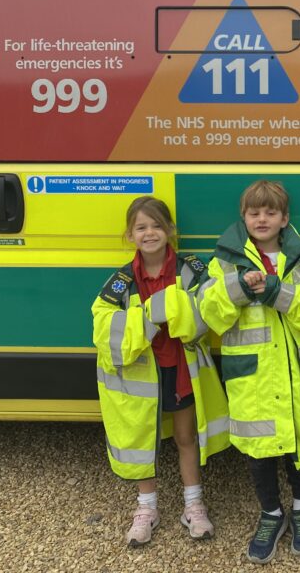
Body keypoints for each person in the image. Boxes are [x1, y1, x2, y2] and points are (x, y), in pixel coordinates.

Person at [194, 179, 300, 564]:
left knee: (299, 447)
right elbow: (209, 311)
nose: (262, 218)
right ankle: (271, 514)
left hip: (298, 381)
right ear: (243, 217)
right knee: (258, 452)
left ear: (285, 218)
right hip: (255, 382)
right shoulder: (225, 262)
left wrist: (277, 291)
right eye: (254, 212)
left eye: (271, 212)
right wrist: (239, 288)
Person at [91, 196, 230, 547]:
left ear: (171, 231)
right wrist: (152, 313)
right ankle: (146, 509)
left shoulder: (192, 270)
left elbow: (211, 312)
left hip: (181, 369)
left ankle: (193, 506)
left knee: (186, 439)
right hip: (140, 379)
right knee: (143, 443)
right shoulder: (121, 281)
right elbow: (103, 326)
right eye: (141, 227)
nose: (149, 233)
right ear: (130, 235)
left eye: (156, 225)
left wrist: (178, 308)